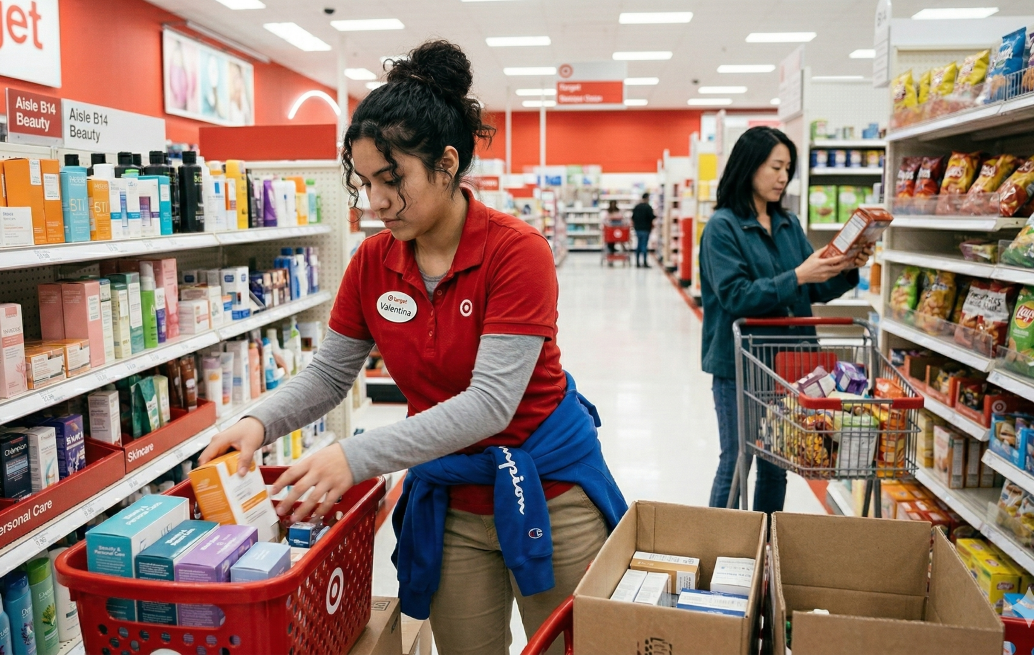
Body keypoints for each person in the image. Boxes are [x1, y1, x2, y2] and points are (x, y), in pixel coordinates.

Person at [198, 40, 626, 655]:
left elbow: (490, 405)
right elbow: (328, 376)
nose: (375, 202)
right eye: (365, 182)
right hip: (450, 500)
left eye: (392, 180)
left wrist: (358, 454)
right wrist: (256, 422)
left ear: (447, 164)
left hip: (550, 492)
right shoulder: (373, 261)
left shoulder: (516, 252)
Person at [700, 126, 871, 514]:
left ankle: (765, 541)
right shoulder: (722, 228)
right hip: (742, 364)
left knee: (777, 463)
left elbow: (811, 291)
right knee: (737, 461)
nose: (783, 177)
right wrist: (798, 275)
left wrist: (845, 268)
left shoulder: (788, 224)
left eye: (787, 168)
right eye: (776, 166)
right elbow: (735, 296)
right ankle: (715, 542)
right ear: (749, 167)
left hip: (792, 363)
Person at [630, 193, 656, 267]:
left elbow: (633, 217)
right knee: (644, 245)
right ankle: (644, 262)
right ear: (647, 198)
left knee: (638, 244)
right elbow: (651, 217)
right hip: (645, 229)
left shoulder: (637, 207)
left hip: (637, 228)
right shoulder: (648, 207)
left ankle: (637, 262)